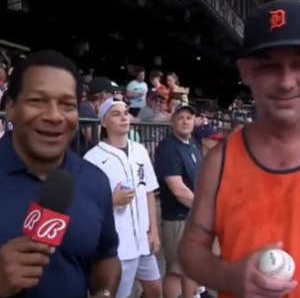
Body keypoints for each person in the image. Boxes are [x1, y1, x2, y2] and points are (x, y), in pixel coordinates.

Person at [178, 0, 300, 298]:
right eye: (269, 67)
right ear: (246, 72)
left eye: (299, 64)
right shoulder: (222, 161)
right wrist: (230, 276)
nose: (286, 82)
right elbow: (190, 249)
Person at [0, 50, 121, 298]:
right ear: (11, 109)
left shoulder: (94, 180)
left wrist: (104, 293)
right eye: (37, 101)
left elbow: (106, 256)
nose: (54, 116)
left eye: (67, 105)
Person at [84, 98, 161, 298]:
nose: (124, 117)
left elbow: (148, 191)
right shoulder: (93, 158)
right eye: (116, 114)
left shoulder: (140, 150)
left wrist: (153, 231)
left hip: (143, 240)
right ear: (103, 122)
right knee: (119, 294)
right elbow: (86, 207)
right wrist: (112, 201)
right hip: (118, 245)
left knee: (154, 290)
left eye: (126, 112)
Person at [155, 103, 210, 298]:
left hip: (191, 216)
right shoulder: (168, 148)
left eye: (189, 117)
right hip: (177, 218)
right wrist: (205, 209)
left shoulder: (193, 145)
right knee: (175, 272)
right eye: (180, 117)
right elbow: (178, 190)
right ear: (172, 121)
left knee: (190, 267)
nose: (185, 121)